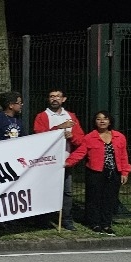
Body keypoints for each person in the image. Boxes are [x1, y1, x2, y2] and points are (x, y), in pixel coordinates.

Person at [66, 111, 131, 234]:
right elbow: (80, 153)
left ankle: (106, 224)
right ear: (95, 122)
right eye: (98, 119)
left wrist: (125, 172)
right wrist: (68, 162)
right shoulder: (89, 137)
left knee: (110, 199)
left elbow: (123, 156)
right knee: (94, 199)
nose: (102, 121)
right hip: (95, 172)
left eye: (105, 118)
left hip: (114, 172)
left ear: (110, 121)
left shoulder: (119, 137)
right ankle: (94, 223)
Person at [34, 88, 83, 231]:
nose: (54, 99)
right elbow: (39, 136)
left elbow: (80, 139)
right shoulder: (42, 116)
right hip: (47, 161)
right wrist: (59, 128)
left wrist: (71, 137)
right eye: (51, 96)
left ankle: (66, 219)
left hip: (65, 160)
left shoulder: (71, 116)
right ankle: (44, 219)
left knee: (66, 192)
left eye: (58, 96)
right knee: (45, 190)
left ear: (64, 99)